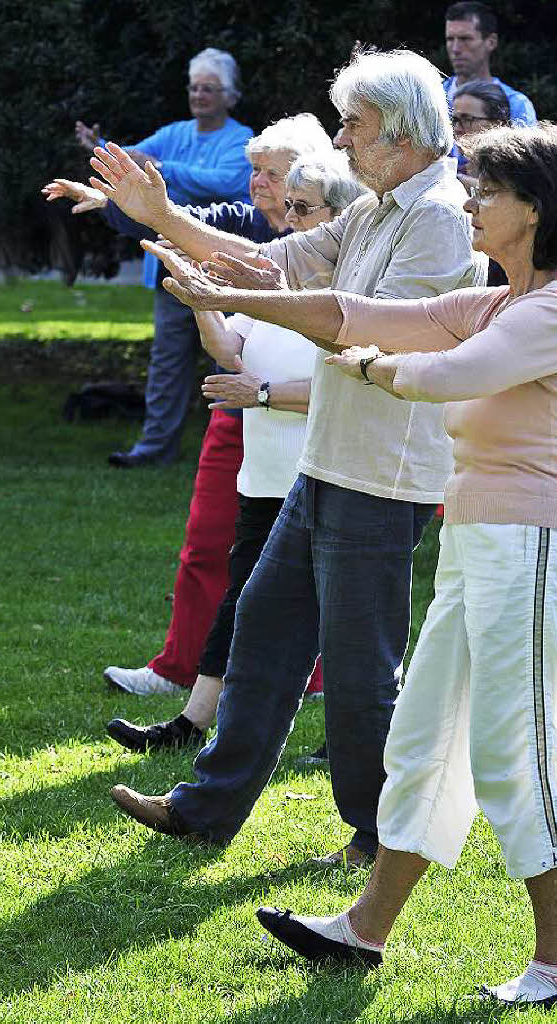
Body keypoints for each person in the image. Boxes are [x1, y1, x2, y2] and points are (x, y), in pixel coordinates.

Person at [167, 121, 557, 1009]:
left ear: (535, 209)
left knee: (514, 746)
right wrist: (233, 294)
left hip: (534, 548)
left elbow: (444, 374)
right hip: (480, 544)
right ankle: (363, 930)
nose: (472, 201)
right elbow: (354, 312)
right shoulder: (495, 299)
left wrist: (367, 367)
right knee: (424, 739)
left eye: (488, 191)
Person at [90, 49, 486, 864]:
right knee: (265, 632)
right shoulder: (377, 207)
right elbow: (269, 262)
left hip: (385, 471)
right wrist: (159, 216)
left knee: (358, 666)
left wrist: (231, 296)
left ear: (405, 132)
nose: (340, 141)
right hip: (331, 460)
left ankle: (378, 833)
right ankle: (206, 807)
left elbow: (362, 325)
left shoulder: (441, 214)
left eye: (354, 125)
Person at [43, 115, 334, 696]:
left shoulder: (339, 246)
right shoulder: (242, 223)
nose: (258, 184)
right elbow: (183, 228)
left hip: (315, 422)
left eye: (272, 174)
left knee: (321, 556)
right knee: (209, 541)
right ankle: (182, 671)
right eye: (254, 170)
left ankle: (318, 678)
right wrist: (114, 204)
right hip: (240, 409)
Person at [103, 152, 367, 751]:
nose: (290, 218)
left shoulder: (352, 300)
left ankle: (355, 734)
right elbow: (230, 351)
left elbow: (354, 385)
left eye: (305, 209)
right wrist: (201, 300)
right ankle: (190, 724)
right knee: (243, 599)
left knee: (347, 610)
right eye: (291, 207)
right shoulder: (277, 289)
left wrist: (265, 394)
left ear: (340, 218)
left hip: (325, 474)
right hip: (265, 476)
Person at [76, 48, 254, 467]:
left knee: (232, 358)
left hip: (222, 271)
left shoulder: (242, 139)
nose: (198, 95)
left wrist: (161, 173)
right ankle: (154, 450)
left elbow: (227, 181)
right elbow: (129, 164)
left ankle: (236, 451)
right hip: (171, 270)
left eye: (208, 88)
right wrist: (100, 146)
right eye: (193, 87)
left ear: (230, 96)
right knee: (167, 363)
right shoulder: (174, 133)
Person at [451, 79, 511, 284]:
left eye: (467, 119)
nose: (458, 128)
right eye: (454, 120)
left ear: (497, 124)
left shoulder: (516, 179)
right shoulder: (455, 170)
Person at [443, 3, 536, 126]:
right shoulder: (432, 96)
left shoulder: (516, 105)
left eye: (465, 39)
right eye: (450, 39)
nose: (455, 48)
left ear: (491, 42)